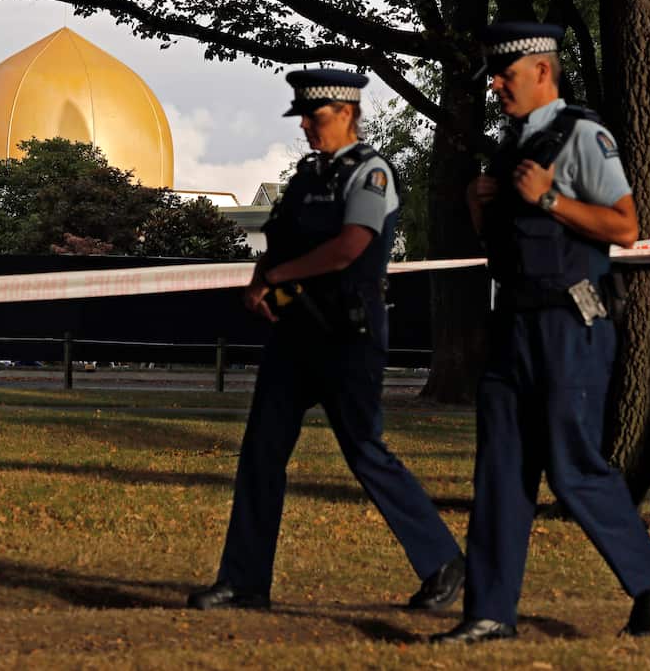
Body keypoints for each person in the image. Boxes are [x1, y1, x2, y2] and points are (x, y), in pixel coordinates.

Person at [434, 22, 650, 644]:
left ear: (543, 72)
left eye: (507, 74)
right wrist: (481, 206)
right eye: (494, 76)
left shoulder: (583, 136)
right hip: (515, 326)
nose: (496, 85)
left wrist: (551, 200)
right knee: (499, 470)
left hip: (570, 326)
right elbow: (507, 248)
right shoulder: (508, 148)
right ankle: (490, 612)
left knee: (572, 468)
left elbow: (625, 227)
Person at [188, 68, 465, 612]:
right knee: (261, 452)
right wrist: (259, 280)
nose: (309, 129)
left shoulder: (371, 173)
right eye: (304, 119)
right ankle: (244, 581)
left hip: (348, 333)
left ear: (345, 113)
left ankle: (442, 561)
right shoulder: (307, 175)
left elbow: (350, 248)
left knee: (365, 451)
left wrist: (276, 276)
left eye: (316, 118)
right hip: (296, 331)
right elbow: (279, 238)